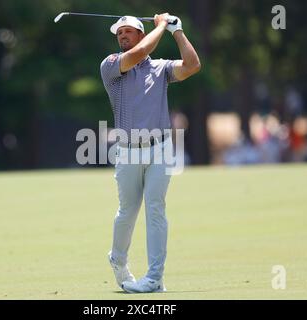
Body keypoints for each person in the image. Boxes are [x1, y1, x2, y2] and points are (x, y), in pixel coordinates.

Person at [100, 13, 201, 293]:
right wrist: (161, 26)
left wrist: (177, 31)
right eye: (119, 33)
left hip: (160, 149)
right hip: (128, 151)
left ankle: (155, 278)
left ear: (140, 34)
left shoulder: (161, 68)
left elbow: (193, 65)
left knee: (156, 210)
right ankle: (118, 260)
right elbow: (141, 52)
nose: (122, 36)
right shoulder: (110, 66)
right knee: (128, 212)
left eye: (128, 31)